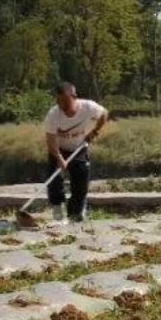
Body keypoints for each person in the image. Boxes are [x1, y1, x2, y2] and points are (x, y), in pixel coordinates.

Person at [44, 83, 109, 223]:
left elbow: (104, 114)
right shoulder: (53, 114)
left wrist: (95, 132)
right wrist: (59, 157)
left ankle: (76, 212)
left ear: (74, 97)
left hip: (79, 147)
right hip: (58, 149)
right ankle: (57, 205)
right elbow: (50, 140)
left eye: (65, 101)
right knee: (54, 178)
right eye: (59, 101)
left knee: (81, 178)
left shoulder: (88, 107)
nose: (62, 105)